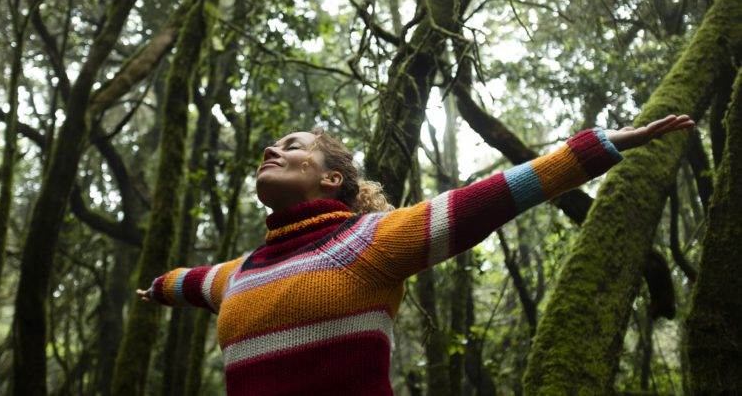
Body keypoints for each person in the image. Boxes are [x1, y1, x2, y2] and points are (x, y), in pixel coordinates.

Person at [137, 114, 694, 395]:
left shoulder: (369, 242)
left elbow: (494, 196)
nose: (270, 149)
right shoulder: (238, 276)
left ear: (332, 177)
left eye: (292, 146)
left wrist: (601, 145)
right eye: (273, 146)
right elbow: (192, 280)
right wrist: (160, 287)